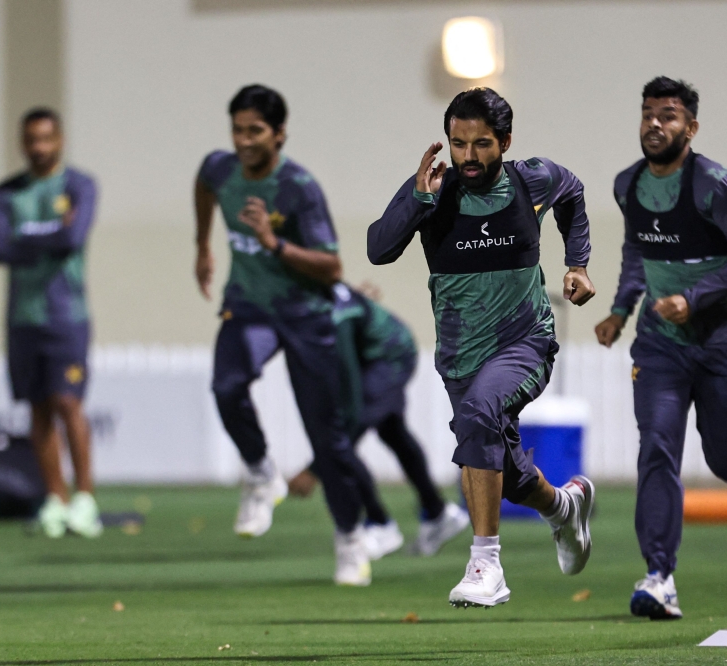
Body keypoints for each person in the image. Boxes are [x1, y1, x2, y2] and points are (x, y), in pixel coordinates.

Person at [367, 87, 597, 608]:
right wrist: (417, 198)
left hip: (525, 342)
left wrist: (577, 263)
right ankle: (564, 507)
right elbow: (379, 249)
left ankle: (486, 563)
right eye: (458, 144)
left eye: (481, 144)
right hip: (460, 358)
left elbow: (574, 191)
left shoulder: (531, 179)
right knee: (507, 473)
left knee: (479, 414)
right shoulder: (431, 189)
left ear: (505, 142)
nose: (468, 157)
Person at [593, 76, 727, 620]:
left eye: (669, 115)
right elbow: (638, 250)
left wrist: (695, 296)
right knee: (657, 447)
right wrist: (620, 309)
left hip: (726, 342)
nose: (655, 124)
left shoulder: (714, 185)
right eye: (647, 114)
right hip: (661, 346)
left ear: (691, 127)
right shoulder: (626, 185)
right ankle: (659, 577)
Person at [194, 84, 369, 586]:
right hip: (248, 306)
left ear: (279, 134)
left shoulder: (298, 188)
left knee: (326, 438)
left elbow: (333, 267)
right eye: (237, 130)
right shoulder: (220, 169)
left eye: (256, 131)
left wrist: (274, 243)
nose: (244, 140)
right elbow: (204, 185)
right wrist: (202, 245)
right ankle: (258, 470)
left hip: (304, 315)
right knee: (227, 385)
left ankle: (350, 537)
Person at [289, 282, 470, 560]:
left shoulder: (334, 317)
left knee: (343, 434)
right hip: (382, 351)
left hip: (388, 355)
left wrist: (314, 469)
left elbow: (352, 411)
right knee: (391, 430)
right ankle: (437, 512)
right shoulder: (318, 299)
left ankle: (379, 523)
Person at [0, 108, 101, 539]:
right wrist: (49, 237)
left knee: (68, 404)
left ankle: (85, 497)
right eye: (31, 140)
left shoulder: (78, 185)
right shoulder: (6, 193)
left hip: (66, 316)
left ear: (60, 140)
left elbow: (73, 238)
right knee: (37, 409)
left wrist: (26, 240)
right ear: (22, 142)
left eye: (45, 139)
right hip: (23, 317)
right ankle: (56, 498)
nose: (38, 148)